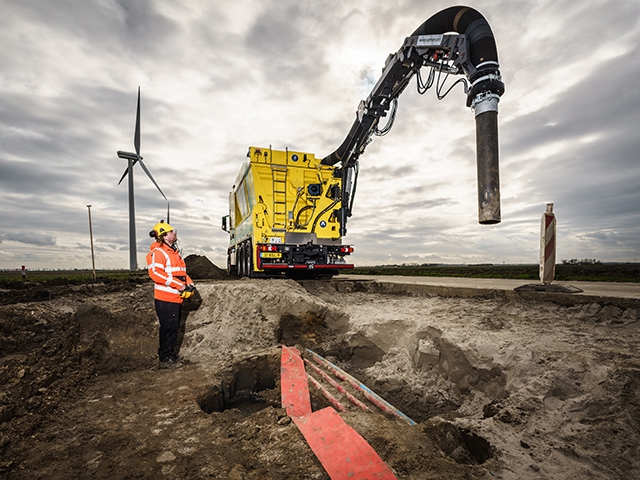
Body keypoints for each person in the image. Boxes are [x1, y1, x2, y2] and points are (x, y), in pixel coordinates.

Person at [146, 220, 195, 369]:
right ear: (164, 236)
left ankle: (170, 355)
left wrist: (189, 283)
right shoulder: (158, 252)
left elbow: (180, 273)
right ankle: (165, 358)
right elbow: (155, 273)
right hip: (165, 299)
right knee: (168, 328)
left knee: (173, 327)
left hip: (175, 298)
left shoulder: (173, 252)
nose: (174, 233)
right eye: (172, 231)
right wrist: (178, 285)